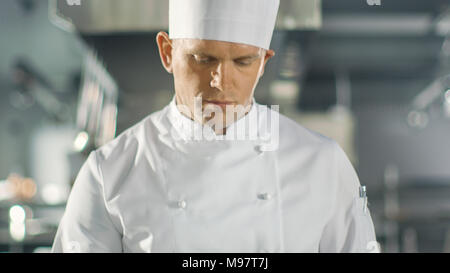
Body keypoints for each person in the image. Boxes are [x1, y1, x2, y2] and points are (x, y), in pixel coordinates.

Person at [52, 0, 379, 253]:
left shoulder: (322, 163)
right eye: (203, 58)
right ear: (167, 52)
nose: (222, 82)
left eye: (243, 61)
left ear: (264, 62)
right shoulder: (108, 173)